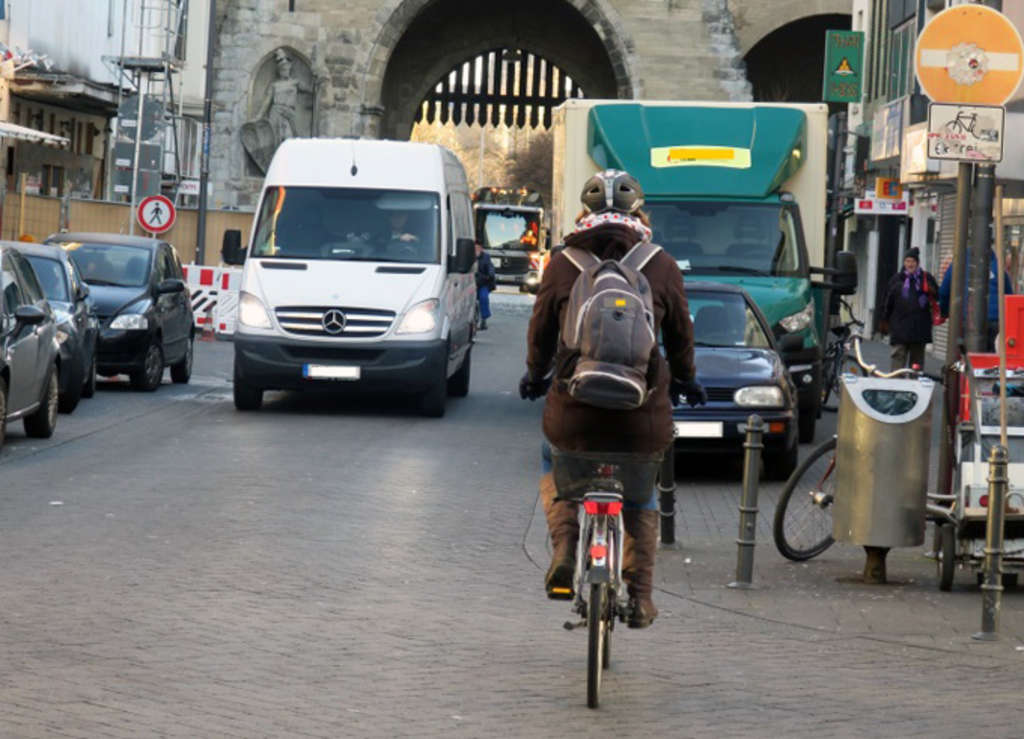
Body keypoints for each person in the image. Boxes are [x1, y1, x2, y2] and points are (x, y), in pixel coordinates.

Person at [520, 169, 705, 629]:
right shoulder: (660, 264)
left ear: (585, 213)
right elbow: (681, 335)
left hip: (574, 415)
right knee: (641, 497)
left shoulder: (564, 262)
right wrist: (686, 378)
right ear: (639, 212)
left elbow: (541, 330)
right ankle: (640, 596)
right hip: (640, 418)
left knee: (552, 458)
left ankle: (565, 547)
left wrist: (534, 374)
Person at [938, 248, 1014, 351]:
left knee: (970, 355)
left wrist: (944, 312)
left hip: (970, 319)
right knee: (992, 356)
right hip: (996, 320)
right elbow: (1009, 296)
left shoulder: (958, 264)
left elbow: (944, 291)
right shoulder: (998, 267)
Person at [881, 247, 938, 371]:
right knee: (897, 362)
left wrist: (931, 289)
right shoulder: (896, 279)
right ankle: (896, 387)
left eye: (912, 261)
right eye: (907, 261)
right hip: (899, 328)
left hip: (919, 328)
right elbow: (887, 302)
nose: (910, 264)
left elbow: (936, 296)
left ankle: (915, 388)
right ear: (904, 263)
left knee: (916, 366)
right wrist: (884, 321)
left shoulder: (926, 278)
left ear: (917, 262)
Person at [475, 241, 496, 330]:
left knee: (483, 297)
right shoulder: (468, 257)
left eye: (478, 248)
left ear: (481, 249)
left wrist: (490, 275)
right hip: (470, 282)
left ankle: (484, 319)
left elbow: (490, 267)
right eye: (474, 248)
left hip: (483, 282)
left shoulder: (486, 257)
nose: (476, 250)